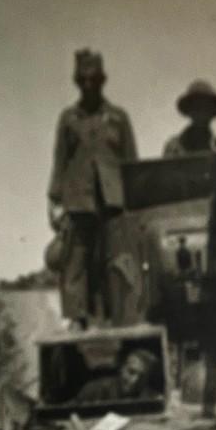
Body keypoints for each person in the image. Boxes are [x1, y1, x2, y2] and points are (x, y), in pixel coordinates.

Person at [47, 49, 139, 328]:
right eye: (83, 79)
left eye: (94, 79)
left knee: (116, 260)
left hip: (113, 201)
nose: (88, 85)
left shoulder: (118, 118)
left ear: (103, 80)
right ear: (77, 81)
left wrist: (135, 199)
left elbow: (131, 161)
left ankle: (116, 316)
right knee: (75, 260)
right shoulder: (68, 119)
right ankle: (77, 318)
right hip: (77, 200)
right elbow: (60, 161)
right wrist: (54, 201)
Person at [163, 80, 216, 156]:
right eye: (197, 107)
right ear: (189, 111)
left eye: (206, 107)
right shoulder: (174, 146)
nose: (201, 112)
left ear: (212, 112)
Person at [76, 347, 161, 404]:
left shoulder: (153, 399)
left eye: (142, 376)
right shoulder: (93, 390)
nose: (135, 380)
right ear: (122, 368)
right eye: (131, 372)